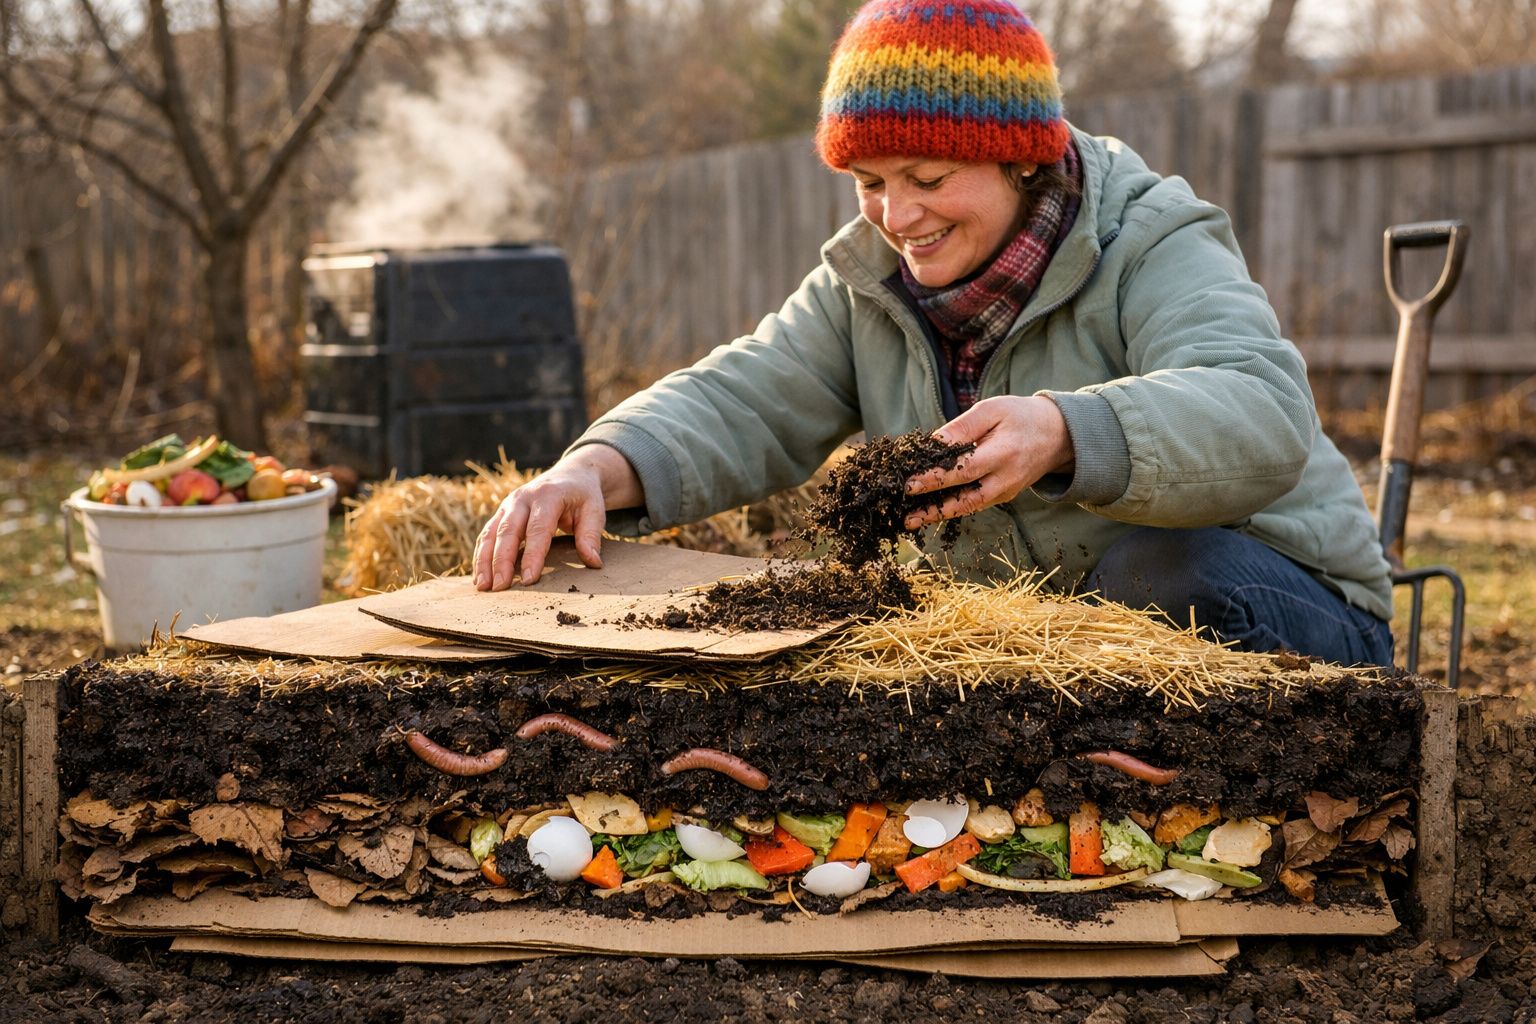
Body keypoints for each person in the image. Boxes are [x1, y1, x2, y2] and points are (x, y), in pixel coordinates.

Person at [474, 0, 1395, 667]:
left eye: (926, 177)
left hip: (1287, 608)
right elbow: (746, 394)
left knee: (1160, 573)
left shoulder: (1150, 240)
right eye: (870, 183)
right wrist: (596, 467)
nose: (896, 216)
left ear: (1019, 159)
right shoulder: (869, 284)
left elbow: (1260, 408)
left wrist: (1065, 430)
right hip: (1063, 652)